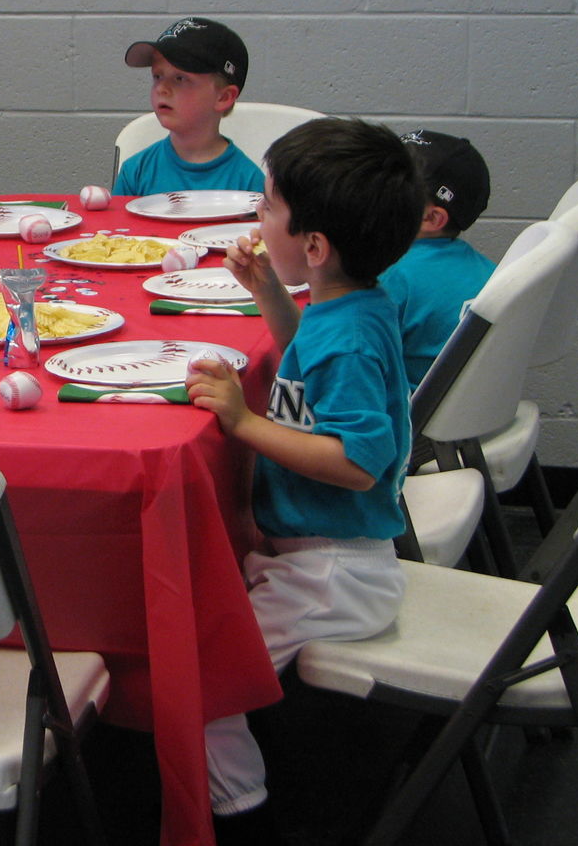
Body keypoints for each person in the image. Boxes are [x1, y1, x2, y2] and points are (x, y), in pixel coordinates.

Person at [185, 118, 427, 845]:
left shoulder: (348, 335)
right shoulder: (349, 305)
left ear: (314, 247)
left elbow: (358, 462)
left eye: (265, 208)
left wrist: (243, 423)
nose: (255, 219)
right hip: (322, 561)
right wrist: (267, 289)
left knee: (199, 678)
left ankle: (241, 814)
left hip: (331, 576)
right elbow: (306, 366)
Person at [379, 129, 496, 390]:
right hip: (463, 415)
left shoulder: (390, 276)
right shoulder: (493, 272)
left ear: (431, 218)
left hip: (401, 419)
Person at [114, 16, 264, 196]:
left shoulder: (249, 183)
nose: (162, 88)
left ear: (223, 97)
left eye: (180, 78)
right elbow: (118, 225)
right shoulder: (136, 172)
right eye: (157, 76)